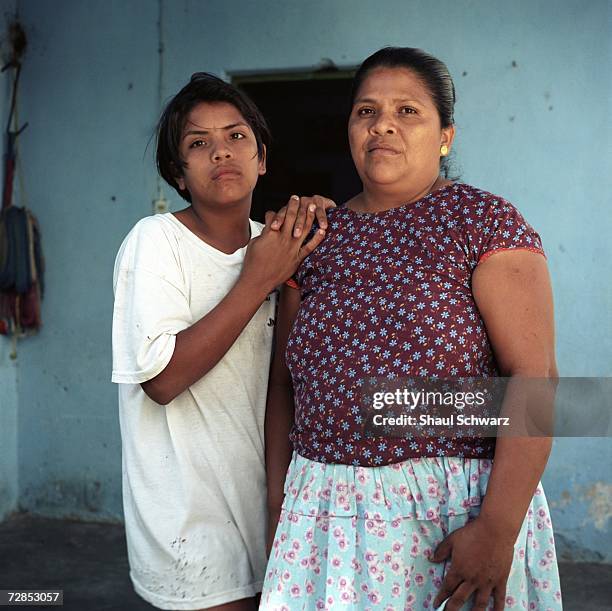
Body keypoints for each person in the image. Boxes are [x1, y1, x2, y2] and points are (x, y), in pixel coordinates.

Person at [262, 48, 562, 610]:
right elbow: (284, 386)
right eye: (366, 111)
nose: (383, 125)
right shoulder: (315, 239)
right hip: (323, 512)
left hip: (449, 514)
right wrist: (280, 505)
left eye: (408, 111)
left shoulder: (484, 222)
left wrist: (496, 529)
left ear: (446, 136)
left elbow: (535, 377)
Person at [111, 72, 334, 611]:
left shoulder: (278, 245)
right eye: (198, 143)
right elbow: (162, 380)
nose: (220, 153)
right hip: (188, 523)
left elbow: (287, 381)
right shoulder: (156, 241)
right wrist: (258, 279)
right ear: (178, 174)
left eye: (236, 137)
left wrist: (328, 232)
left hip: (270, 508)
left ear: (262, 158)